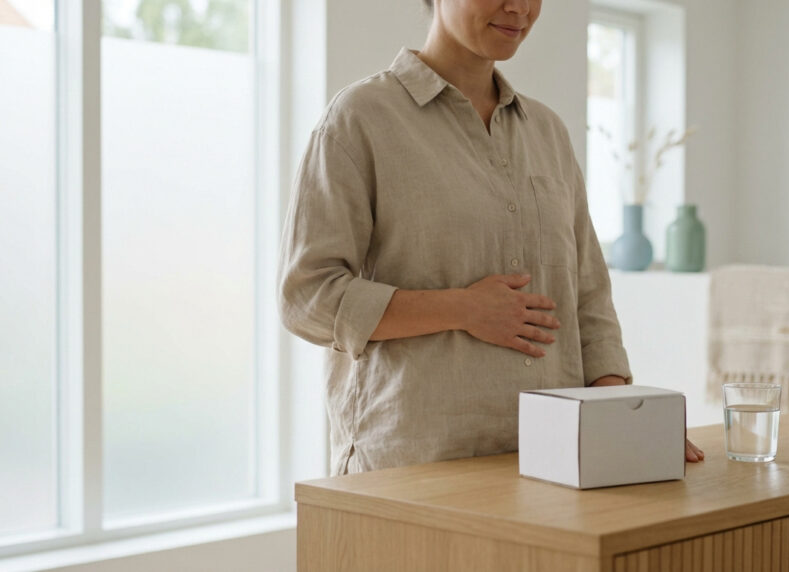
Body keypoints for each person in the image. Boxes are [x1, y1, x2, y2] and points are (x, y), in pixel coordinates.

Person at [277, 0, 704, 476]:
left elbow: (588, 298)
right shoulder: (360, 118)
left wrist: (624, 417)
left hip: (553, 461)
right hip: (413, 467)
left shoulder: (547, 132)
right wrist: (463, 308)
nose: (519, 7)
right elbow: (307, 297)